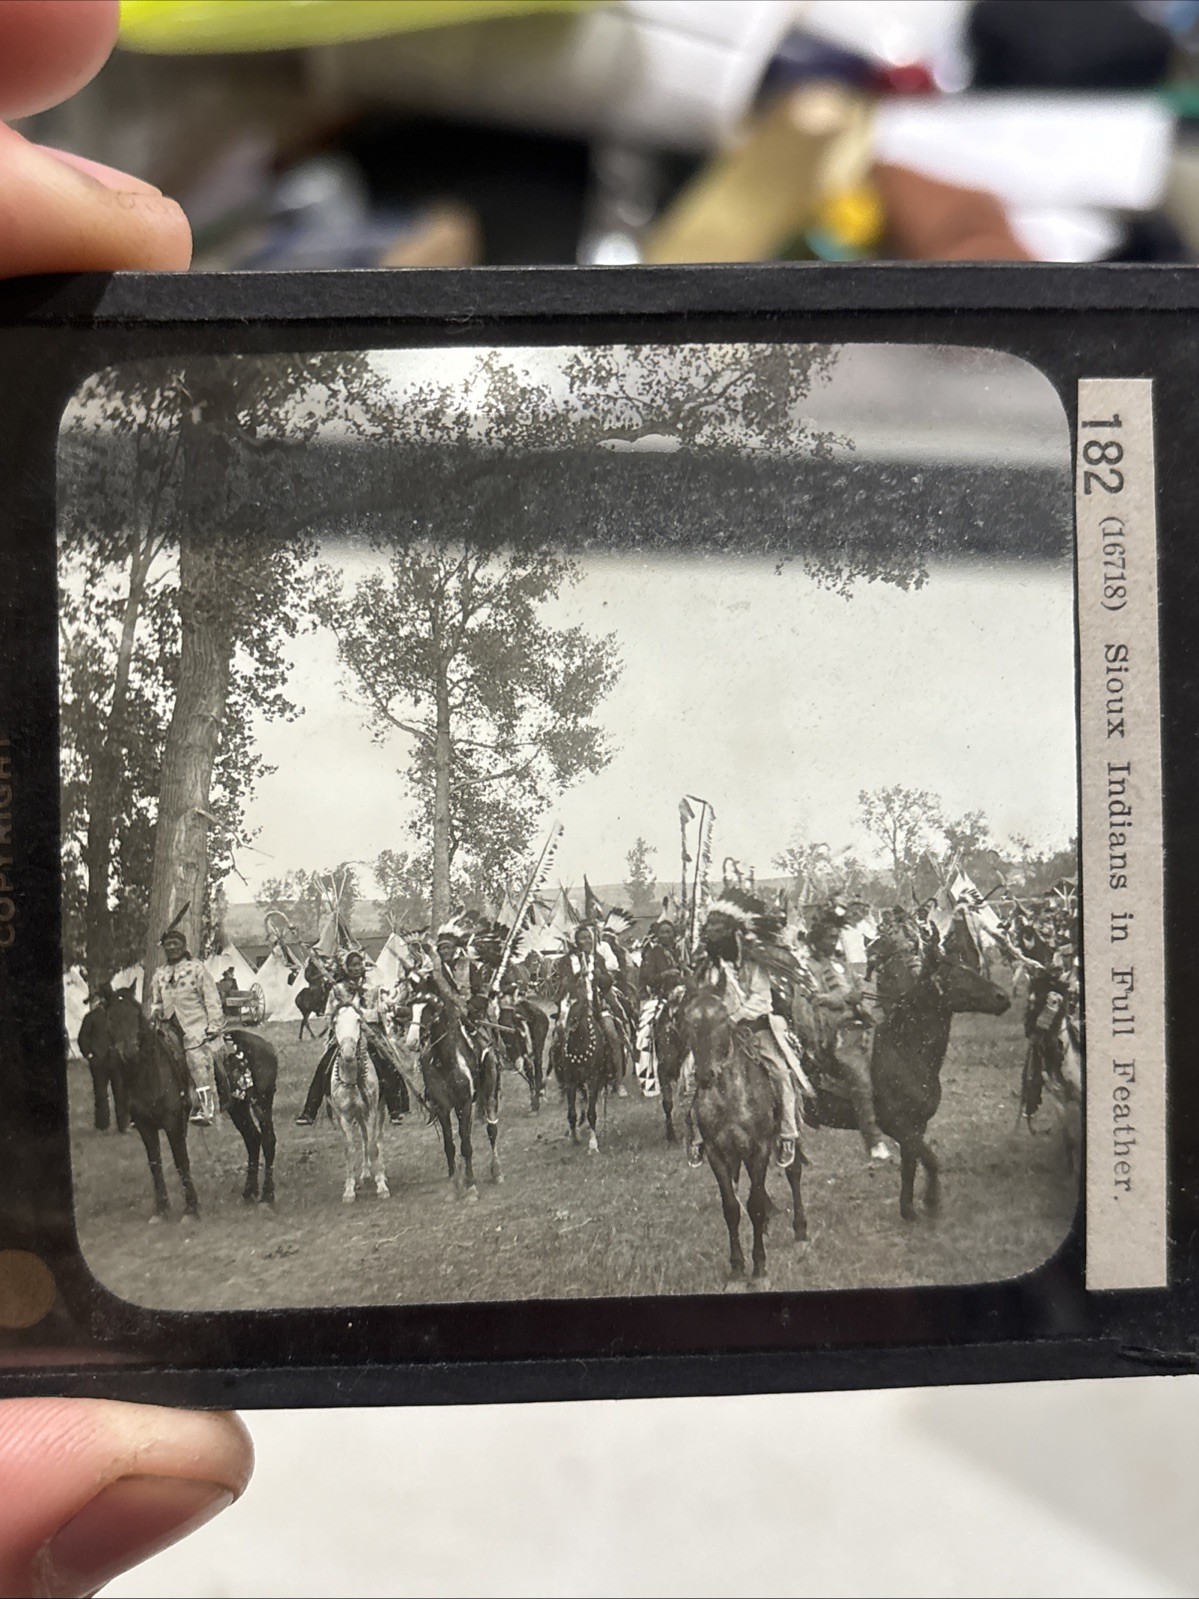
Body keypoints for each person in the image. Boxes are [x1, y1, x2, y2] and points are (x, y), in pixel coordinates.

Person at [0, 14, 251, 1593]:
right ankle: (115, 1128)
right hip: (102, 1002)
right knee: (117, 1046)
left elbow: (176, 954)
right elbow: (116, 975)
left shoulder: (170, 950)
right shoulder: (112, 959)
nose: (156, 948)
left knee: (211, 1044)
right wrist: (120, 985)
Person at [689, 896, 811, 1170]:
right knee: (694, 1073)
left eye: (717, 929)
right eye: (709, 928)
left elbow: (761, 999)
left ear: (733, 933)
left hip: (756, 1029)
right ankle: (697, 1135)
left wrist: (734, 1017)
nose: (710, 933)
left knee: (781, 1072)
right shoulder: (710, 967)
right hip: (718, 1033)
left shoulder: (754, 962)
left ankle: (788, 1133)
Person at [804, 906, 889, 1161]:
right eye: (829, 938)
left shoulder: (840, 963)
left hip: (858, 1023)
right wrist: (844, 998)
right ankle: (873, 1140)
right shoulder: (809, 966)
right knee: (860, 1077)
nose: (834, 942)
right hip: (833, 1031)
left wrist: (860, 993)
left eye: (835, 937)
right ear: (817, 940)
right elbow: (815, 997)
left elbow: (856, 984)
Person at [294, 950, 409, 1126]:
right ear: (345, 968)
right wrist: (342, 1019)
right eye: (352, 965)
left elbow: (382, 1008)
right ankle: (309, 1111)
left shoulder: (373, 987)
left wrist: (373, 1015)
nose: (356, 968)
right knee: (324, 1066)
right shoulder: (337, 989)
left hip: (370, 1033)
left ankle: (395, 1109)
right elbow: (329, 1014)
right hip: (346, 1034)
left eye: (358, 964)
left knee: (386, 1063)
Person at [146, 928, 225, 1126]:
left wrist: (213, 1026)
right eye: (168, 944)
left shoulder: (196, 969)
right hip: (167, 1027)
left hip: (196, 1026)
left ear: (184, 946)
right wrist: (155, 1011)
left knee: (196, 1061)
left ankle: (207, 1109)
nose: (172, 948)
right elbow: (156, 1001)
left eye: (176, 944)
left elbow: (212, 999)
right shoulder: (160, 975)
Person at [634, 916, 683, 1098]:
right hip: (659, 996)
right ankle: (647, 1068)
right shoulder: (652, 953)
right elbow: (647, 977)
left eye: (668, 932)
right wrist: (665, 974)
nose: (665, 935)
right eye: (662, 932)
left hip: (680, 996)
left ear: (673, 934)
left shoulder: (678, 951)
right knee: (646, 1029)